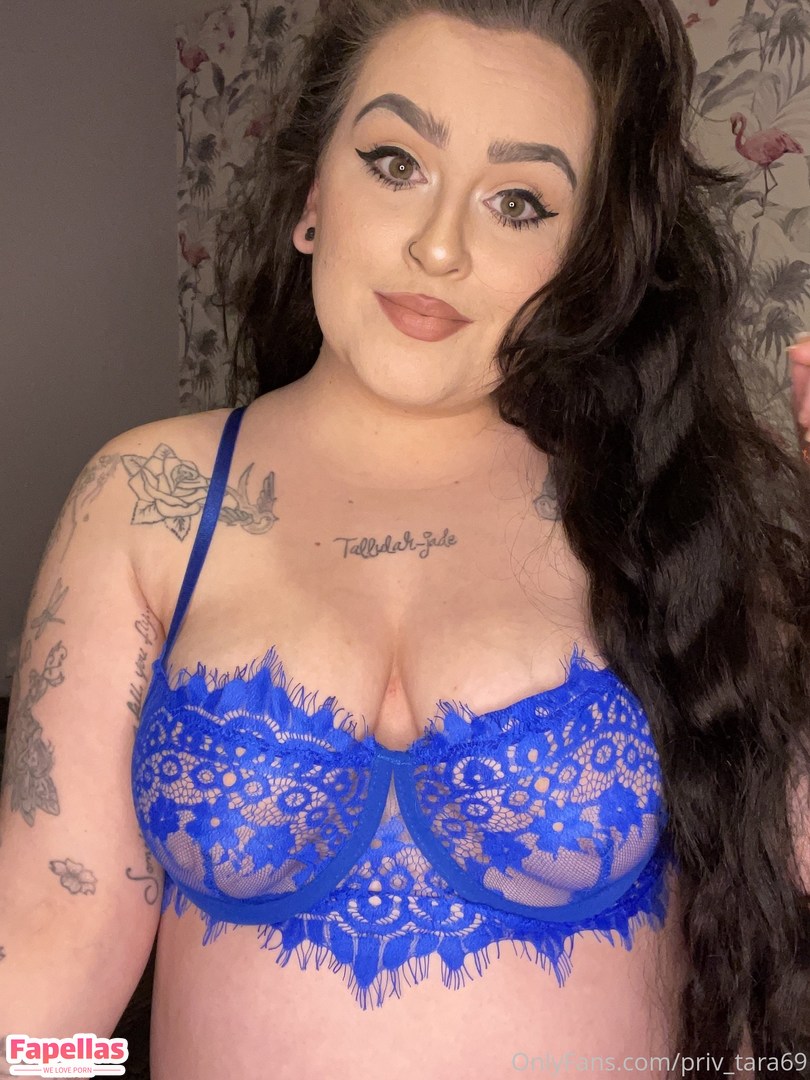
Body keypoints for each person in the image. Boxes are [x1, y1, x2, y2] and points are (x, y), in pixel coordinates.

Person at [2, 0, 809, 1077]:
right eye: (396, 163)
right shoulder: (149, 501)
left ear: (583, 257)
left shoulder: (671, 509)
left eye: (518, 202)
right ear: (311, 193)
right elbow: (53, 949)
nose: (439, 245)